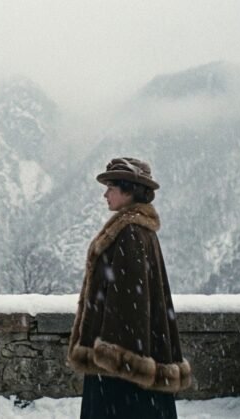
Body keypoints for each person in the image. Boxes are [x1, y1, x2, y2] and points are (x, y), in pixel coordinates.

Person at [67, 157, 192, 419]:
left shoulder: (130, 233)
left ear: (128, 190)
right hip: (128, 355)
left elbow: (128, 304)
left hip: (119, 365)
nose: (105, 194)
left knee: (122, 410)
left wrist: (116, 359)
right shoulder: (135, 229)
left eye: (111, 188)